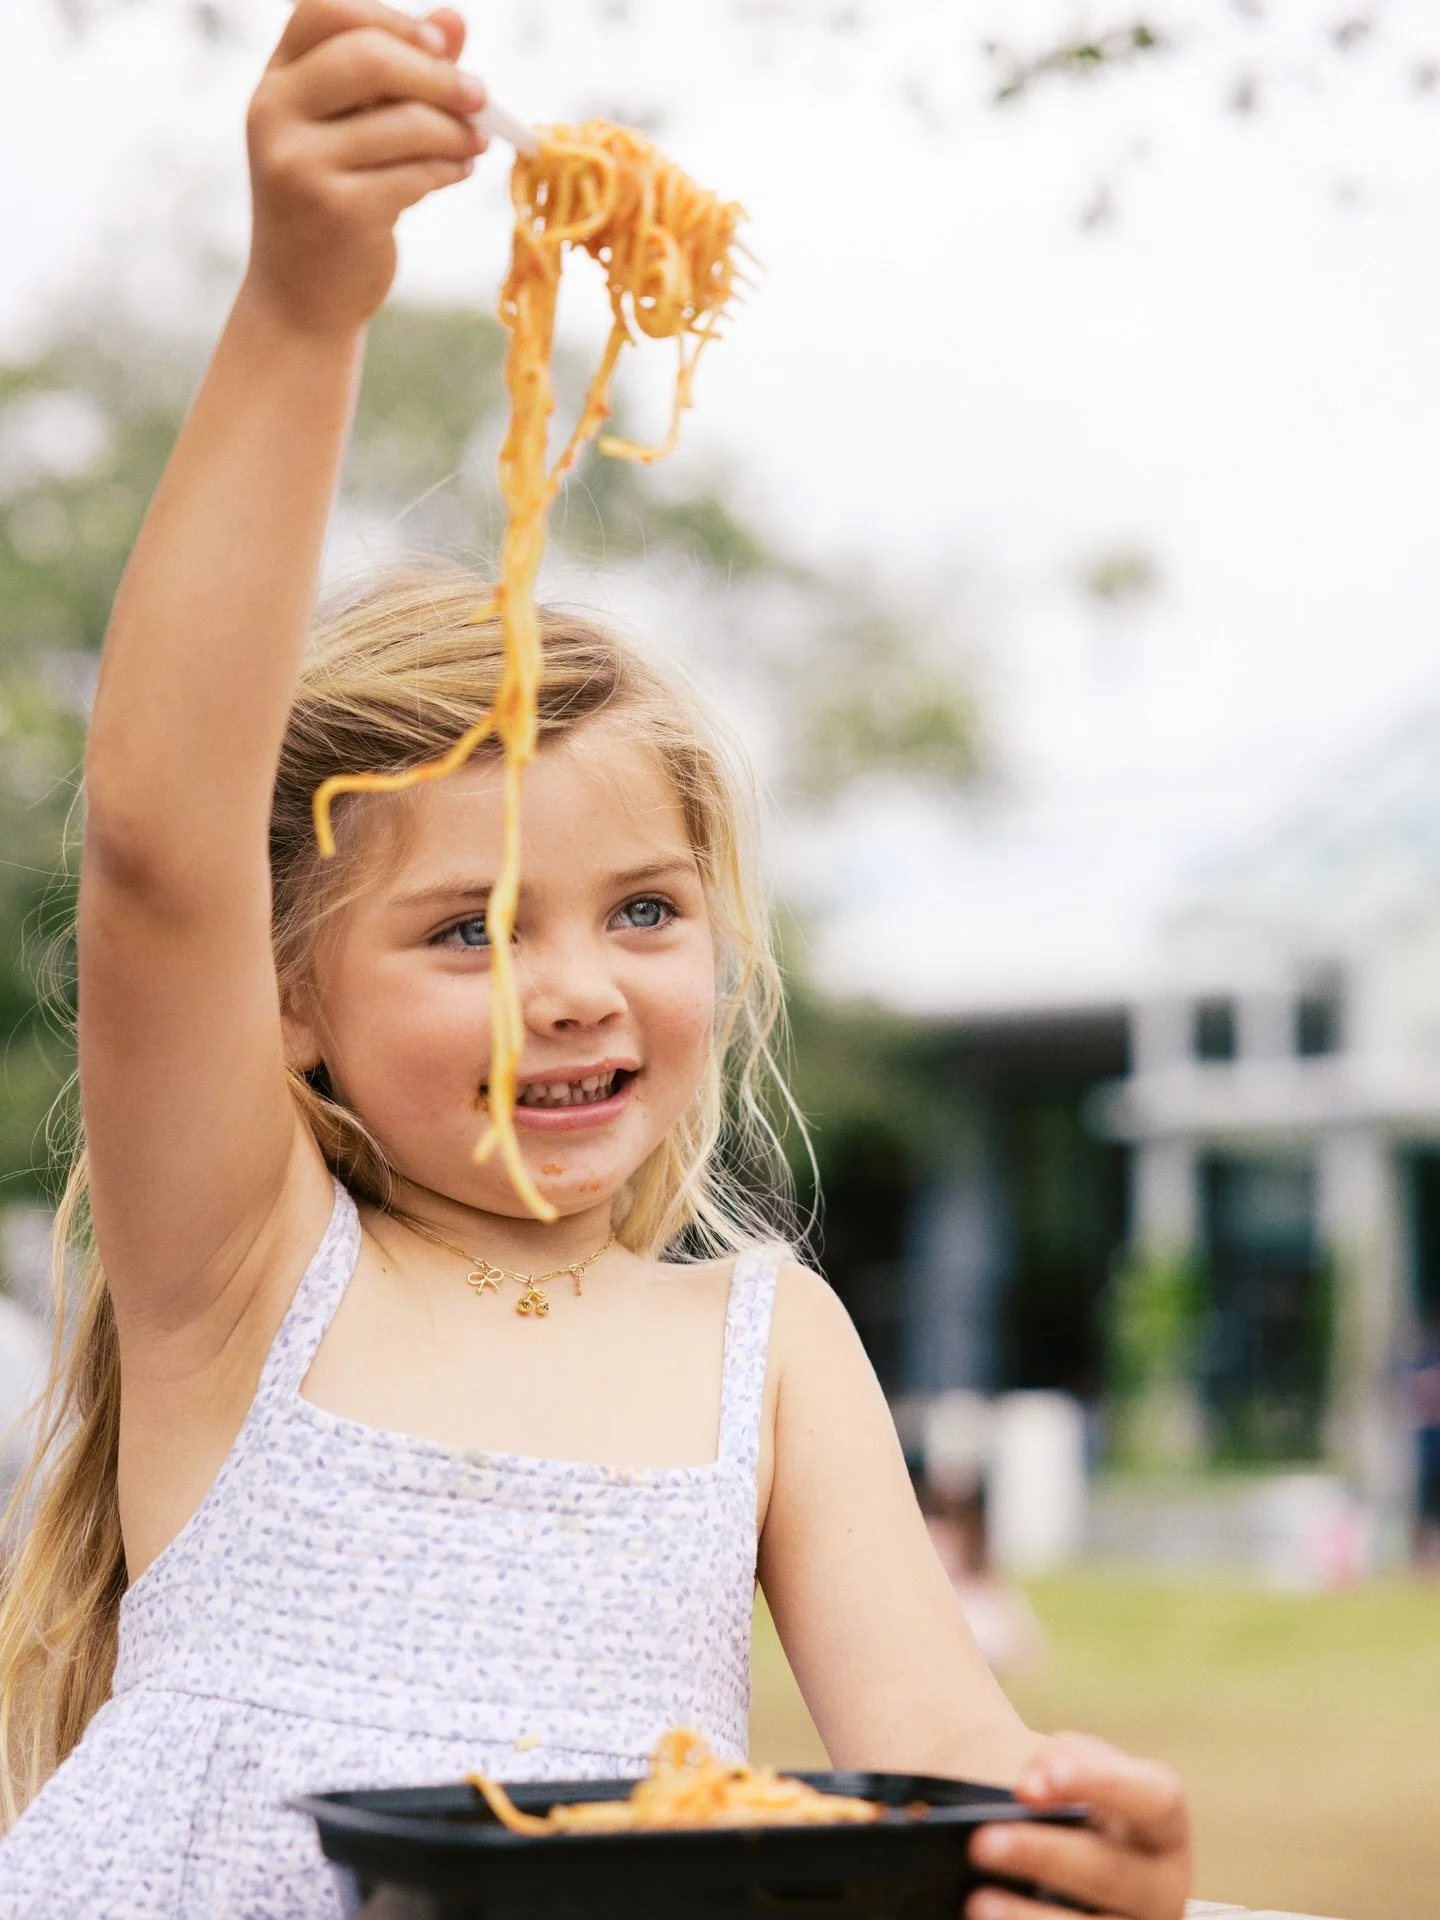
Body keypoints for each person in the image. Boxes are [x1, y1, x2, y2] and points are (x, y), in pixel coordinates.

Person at [0, 5, 1193, 1915]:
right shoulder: (244, 1264)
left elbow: (957, 1782)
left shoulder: (765, 1346)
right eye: (464, 930)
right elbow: (155, 845)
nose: (569, 985)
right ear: (289, 1007)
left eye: (640, 909)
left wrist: (1073, 1856)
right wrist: (311, 299)